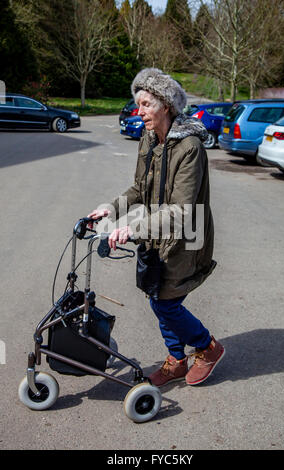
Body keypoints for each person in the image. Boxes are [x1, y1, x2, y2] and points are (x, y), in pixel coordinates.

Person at [88, 68, 225, 387]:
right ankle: (177, 358)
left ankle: (207, 347)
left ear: (166, 104)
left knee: (166, 301)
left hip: (184, 236)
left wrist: (133, 230)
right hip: (154, 234)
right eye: (138, 104)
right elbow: (139, 187)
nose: (139, 111)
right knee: (156, 294)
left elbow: (182, 210)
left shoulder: (190, 147)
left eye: (146, 104)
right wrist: (110, 209)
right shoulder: (148, 140)